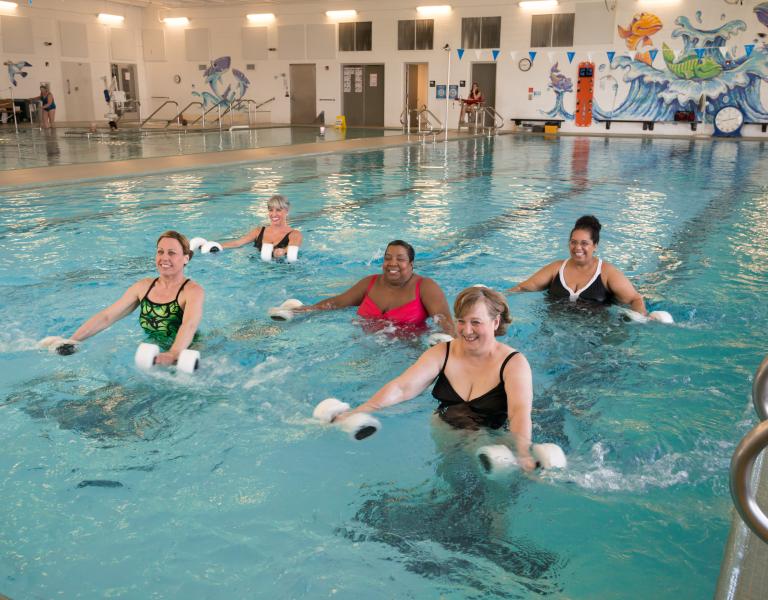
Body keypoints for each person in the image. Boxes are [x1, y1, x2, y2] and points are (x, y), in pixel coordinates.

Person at [335, 286, 535, 470]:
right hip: (447, 431)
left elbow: (519, 413)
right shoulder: (442, 353)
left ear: (495, 322)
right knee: (451, 481)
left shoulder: (514, 363)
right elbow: (402, 387)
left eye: (476, 322)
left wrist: (523, 452)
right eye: (461, 321)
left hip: (494, 439)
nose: (466, 330)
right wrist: (360, 410)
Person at [42, 231, 204, 365]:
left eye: (172, 253)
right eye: (160, 251)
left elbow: (188, 325)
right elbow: (107, 316)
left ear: (186, 258)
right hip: (153, 349)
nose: (164, 258)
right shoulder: (143, 287)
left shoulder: (192, 291)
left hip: (189, 351)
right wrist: (73, 340)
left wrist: (173, 353)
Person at [295, 240, 455, 336]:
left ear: (411, 264)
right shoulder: (370, 283)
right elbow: (336, 303)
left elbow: (445, 322)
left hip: (405, 355)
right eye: (387, 258)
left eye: (400, 259)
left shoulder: (425, 287)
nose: (392, 263)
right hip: (362, 349)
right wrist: (305, 310)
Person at [507, 215, 648, 315]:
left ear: (595, 246)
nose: (577, 248)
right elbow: (522, 287)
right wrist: (496, 298)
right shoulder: (556, 268)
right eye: (573, 242)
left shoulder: (607, 273)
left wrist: (639, 319)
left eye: (584, 243)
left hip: (594, 333)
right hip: (555, 329)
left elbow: (635, 299)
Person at [220, 194, 303, 259]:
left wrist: (283, 251)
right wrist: (217, 246)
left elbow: (293, 246)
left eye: (278, 210)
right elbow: (237, 243)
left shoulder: (294, 234)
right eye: (271, 210)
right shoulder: (259, 231)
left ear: (286, 211)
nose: (274, 214)